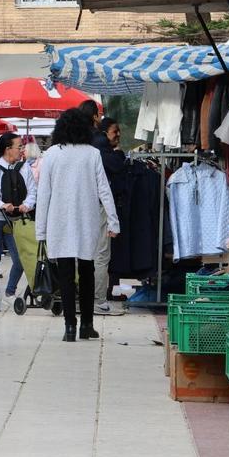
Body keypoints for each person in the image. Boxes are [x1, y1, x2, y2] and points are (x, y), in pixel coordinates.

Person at [35, 109, 120, 342]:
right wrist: (113, 221)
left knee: (65, 276)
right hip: (87, 221)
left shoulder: (51, 154)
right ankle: (87, 325)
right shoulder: (92, 154)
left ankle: (69, 327)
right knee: (87, 272)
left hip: (59, 222)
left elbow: (44, 194)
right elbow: (104, 189)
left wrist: (40, 229)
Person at [0, 132, 37, 311]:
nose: (21, 150)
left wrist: (27, 205)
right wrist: (1, 204)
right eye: (18, 147)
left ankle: (9, 293)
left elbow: (32, 191)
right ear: (7, 149)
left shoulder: (24, 167)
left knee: (21, 258)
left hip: (18, 220)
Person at [92, 117, 126, 314]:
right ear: (105, 133)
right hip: (99, 209)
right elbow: (106, 191)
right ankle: (98, 299)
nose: (119, 135)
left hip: (85, 208)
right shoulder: (103, 153)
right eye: (115, 131)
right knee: (101, 255)